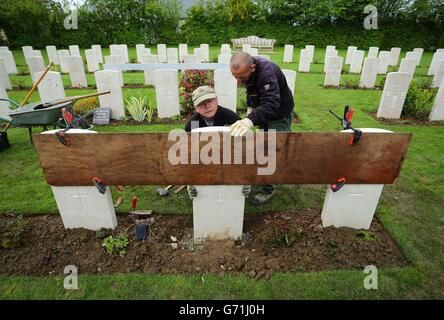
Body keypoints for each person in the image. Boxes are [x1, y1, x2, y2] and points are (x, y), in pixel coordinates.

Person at [229, 52, 294, 205]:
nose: (238, 82)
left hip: (279, 115)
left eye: (241, 78)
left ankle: (268, 188)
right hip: (263, 112)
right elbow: (252, 92)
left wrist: (250, 121)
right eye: (235, 77)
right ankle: (262, 175)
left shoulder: (267, 73)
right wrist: (250, 111)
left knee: (272, 151)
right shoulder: (249, 73)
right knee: (260, 147)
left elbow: (271, 104)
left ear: (252, 68)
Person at [185, 85, 251, 199]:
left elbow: (247, 147)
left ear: (216, 100)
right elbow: (188, 155)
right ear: (196, 108)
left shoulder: (230, 117)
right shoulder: (192, 125)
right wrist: (190, 181)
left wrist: (247, 177)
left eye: (210, 101)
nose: (207, 106)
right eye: (202, 103)